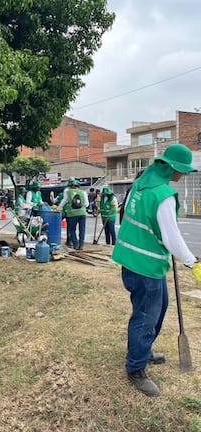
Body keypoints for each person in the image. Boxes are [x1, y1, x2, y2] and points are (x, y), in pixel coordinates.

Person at [112, 144, 201, 397]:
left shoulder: (140, 185)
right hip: (145, 265)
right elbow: (172, 238)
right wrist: (192, 263)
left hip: (133, 261)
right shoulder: (162, 195)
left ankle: (143, 349)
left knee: (159, 307)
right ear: (171, 168)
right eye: (182, 171)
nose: (183, 175)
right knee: (145, 316)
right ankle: (136, 368)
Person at [56, 179, 88, 250]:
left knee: (72, 229)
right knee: (82, 230)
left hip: (73, 214)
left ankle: (75, 244)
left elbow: (63, 201)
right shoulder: (83, 192)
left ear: (71, 186)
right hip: (82, 213)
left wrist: (58, 208)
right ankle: (81, 245)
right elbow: (87, 204)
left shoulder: (68, 192)